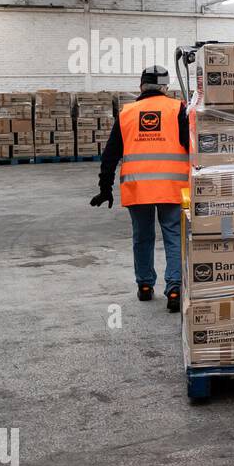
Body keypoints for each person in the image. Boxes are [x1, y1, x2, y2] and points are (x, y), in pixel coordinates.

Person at [89, 65, 190, 312]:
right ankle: (175, 287)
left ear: (141, 86)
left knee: (142, 237)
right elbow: (194, 146)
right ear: (166, 87)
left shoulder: (127, 113)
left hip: (138, 188)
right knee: (173, 236)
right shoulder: (178, 109)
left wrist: (105, 187)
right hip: (172, 186)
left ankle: (145, 286)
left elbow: (110, 155)